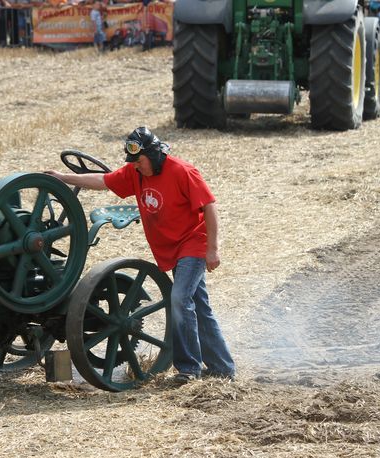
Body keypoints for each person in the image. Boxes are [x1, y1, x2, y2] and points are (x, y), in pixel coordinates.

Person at [44, 127, 236, 383]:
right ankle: (222, 367)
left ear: (154, 154)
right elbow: (103, 181)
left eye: (139, 160)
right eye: (132, 162)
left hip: (193, 242)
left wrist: (213, 248)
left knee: (179, 299)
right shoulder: (136, 172)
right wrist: (63, 178)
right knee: (197, 305)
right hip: (171, 248)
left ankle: (189, 369)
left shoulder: (182, 171)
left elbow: (209, 206)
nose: (136, 166)